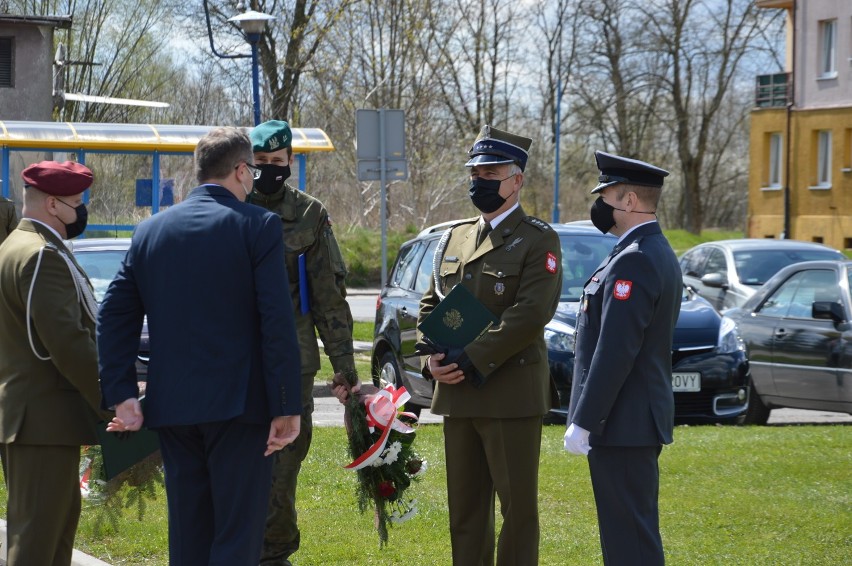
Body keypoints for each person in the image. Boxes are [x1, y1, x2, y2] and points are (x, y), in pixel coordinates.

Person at [97, 127, 303, 565]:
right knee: (236, 536)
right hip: (241, 407)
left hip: (174, 408)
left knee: (188, 536)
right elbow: (276, 320)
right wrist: (287, 406)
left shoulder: (151, 230)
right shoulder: (258, 225)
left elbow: (114, 315)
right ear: (243, 171)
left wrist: (123, 395)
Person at [417, 125, 562, 565]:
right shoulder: (456, 236)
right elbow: (430, 304)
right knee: (465, 511)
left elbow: (532, 312)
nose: (479, 180)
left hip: (509, 394)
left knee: (517, 511)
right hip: (458, 395)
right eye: (475, 172)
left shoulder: (539, 239)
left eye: (491, 172)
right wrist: (433, 361)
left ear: (516, 180)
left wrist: (472, 357)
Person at [563, 151, 682, 566]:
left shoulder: (635, 258)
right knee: (626, 533)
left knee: (629, 537)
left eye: (607, 194)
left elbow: (616, 351)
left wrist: (584, 419)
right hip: (629, 421)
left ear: (629, 201)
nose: (600, 204)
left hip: (623, 422)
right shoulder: (645, 250)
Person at [248, 120, 356, 566]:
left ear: (291, 161)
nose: (269, 170)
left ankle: (274, 556)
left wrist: (345, 370)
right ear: (246, 164)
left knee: (280, 475)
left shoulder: (310, 215)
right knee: (235, 472)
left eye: (277, 162)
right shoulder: (231, 204)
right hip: (235, 363)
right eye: (260, 163)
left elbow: (329, 297)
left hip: (291, 366)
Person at [0, 161, 107, 565]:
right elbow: (67, 344)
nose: (82, 210)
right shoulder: (41, 255)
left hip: (36, 419)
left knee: (53, 536)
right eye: (77, 202)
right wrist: (113, 401)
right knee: (36, 543)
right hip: (43, 421)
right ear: (52, 204)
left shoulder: (14, 246)